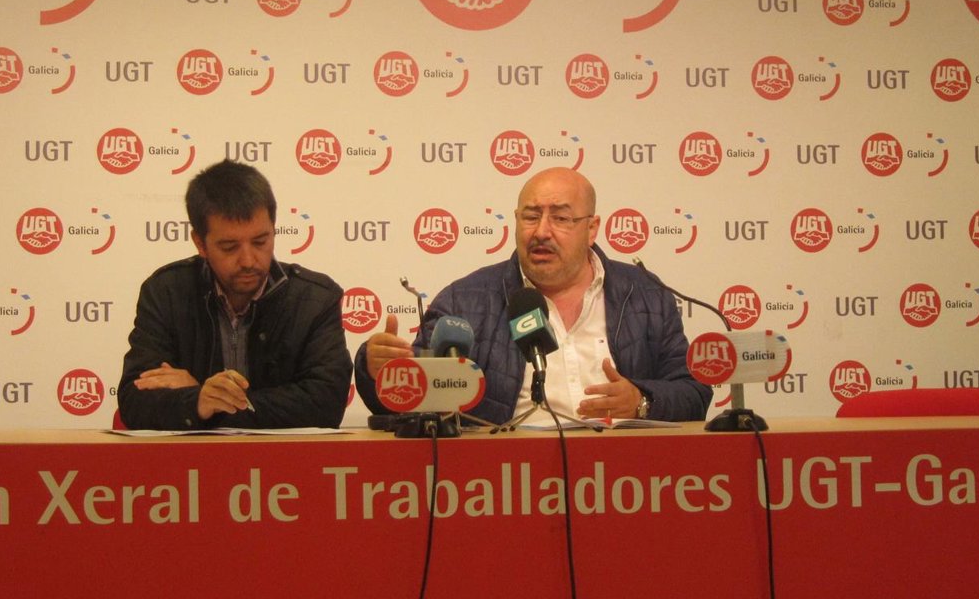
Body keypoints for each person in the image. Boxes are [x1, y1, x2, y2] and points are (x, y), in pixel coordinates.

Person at [355, 167, 711, 425]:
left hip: (625, 480)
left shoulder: (646, 294)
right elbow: (412, 404)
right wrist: (379, 373)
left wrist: (643, 402)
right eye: (530, 217)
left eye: (560, 218)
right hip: (507, 481)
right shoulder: (465, 301)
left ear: (591, 229)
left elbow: (694, 393)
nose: (541, 231)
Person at [118, 160, 352, 430]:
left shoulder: (316, 300)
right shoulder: (165, 293)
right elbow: (134, 402)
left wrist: (207, 400)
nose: (248, 260)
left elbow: (325, 406)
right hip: (191, 468)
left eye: (260, 242)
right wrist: (199, 400)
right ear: (200, 243)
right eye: (229, 247)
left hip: (288, 469)